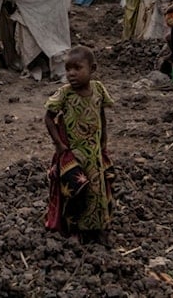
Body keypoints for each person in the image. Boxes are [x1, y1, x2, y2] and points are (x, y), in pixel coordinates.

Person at [44, 45, 114, 243]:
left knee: (97, 191)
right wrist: (58, 144)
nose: (71, 74)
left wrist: (104, 141)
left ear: (92, 69)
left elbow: (101, 115)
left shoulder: (98, 89)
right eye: (68, 69)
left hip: (94, 153)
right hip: (74, 153)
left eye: (77, 68)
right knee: (75, 190)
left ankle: (98, 227)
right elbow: (48, 118)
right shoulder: (64, 94)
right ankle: (73, 229)